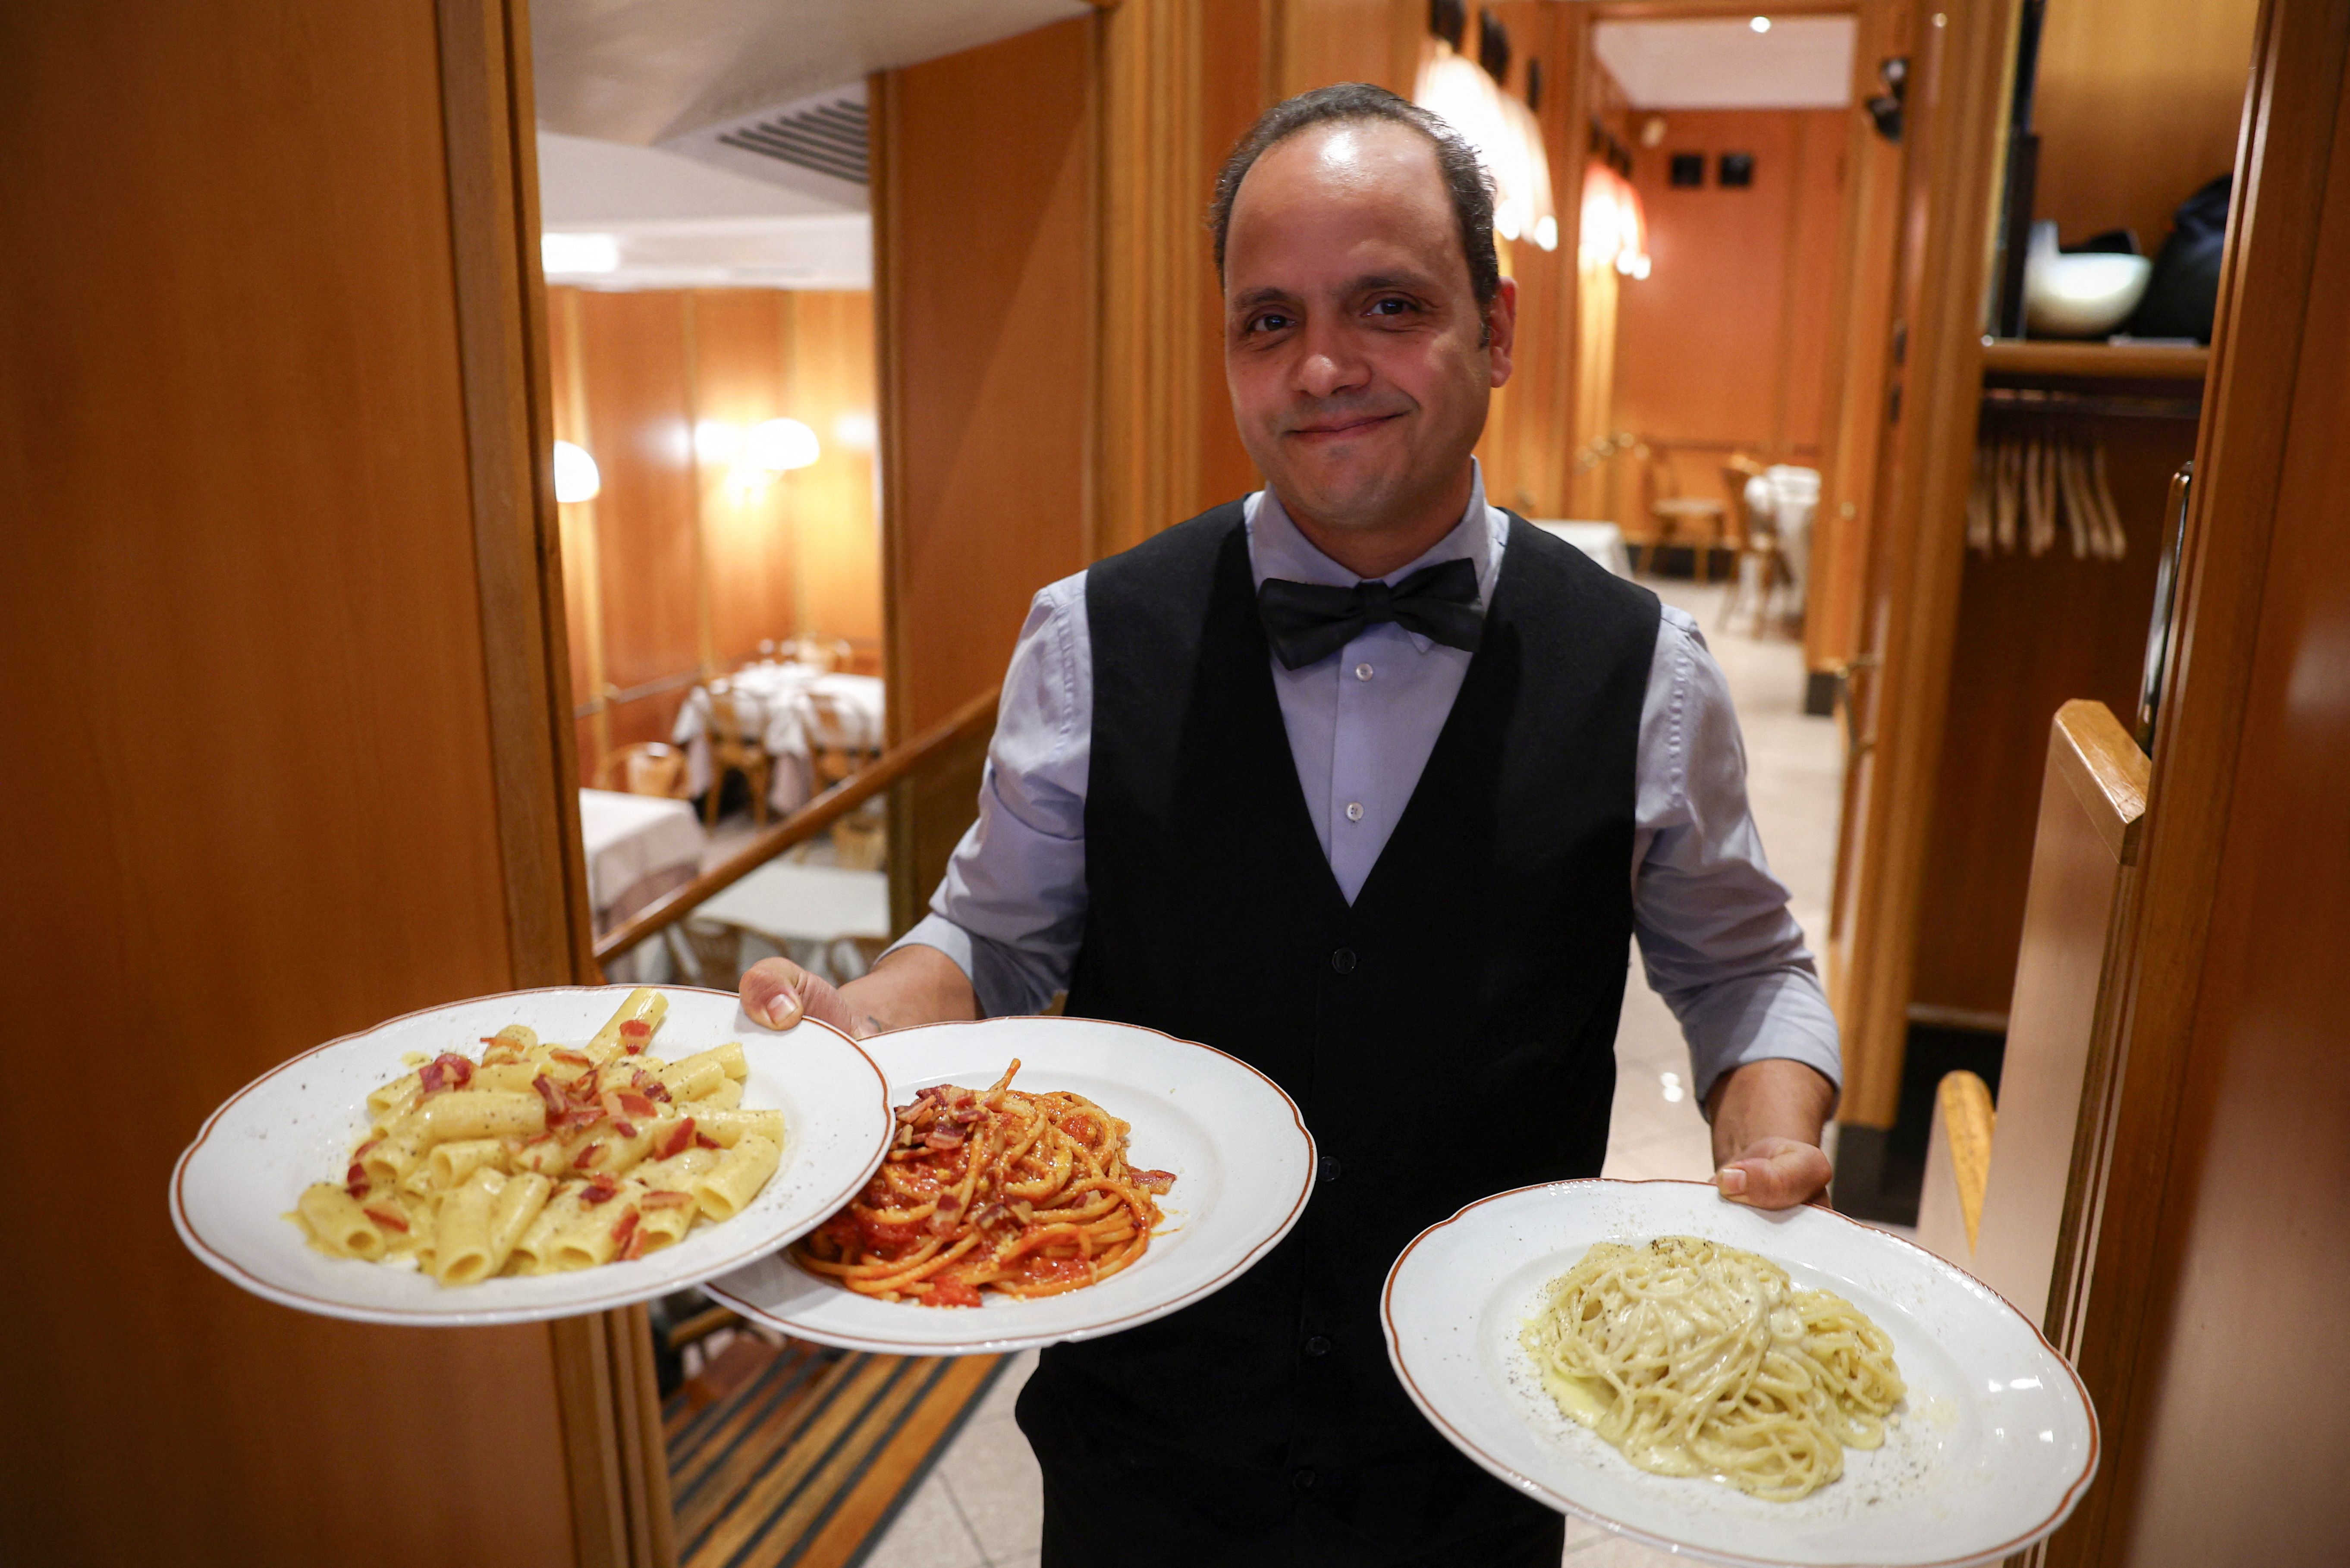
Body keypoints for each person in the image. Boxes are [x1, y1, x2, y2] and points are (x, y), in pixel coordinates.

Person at [738, 83, 1840, 1568]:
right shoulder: (1088, 634)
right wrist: (857, 1022)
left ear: (1498, 331)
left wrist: (1769, 1145)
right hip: (1144, 1446)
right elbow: (989, 939)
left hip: (1474, 1449)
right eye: (1269, 320)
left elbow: (1747, 971)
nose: (1323, 365)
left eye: (1388, 304)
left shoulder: (1648, 670)